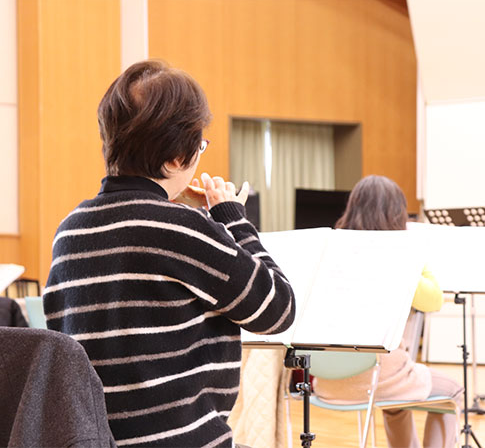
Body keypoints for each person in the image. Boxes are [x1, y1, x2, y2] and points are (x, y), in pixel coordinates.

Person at [43, 59, 295, 447]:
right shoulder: (184, 229)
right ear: (177, 158)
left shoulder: (69, 231)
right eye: (200, 145)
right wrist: (232, 218)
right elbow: (278, 309)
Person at [312, 175, 463, 448]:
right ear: (397, 214)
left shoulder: (329, 251)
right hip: (379, 378)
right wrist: (418, 255)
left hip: (325, 380)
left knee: (396, 402)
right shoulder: (397, 255)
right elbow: (433, 301)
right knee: (453, 391)